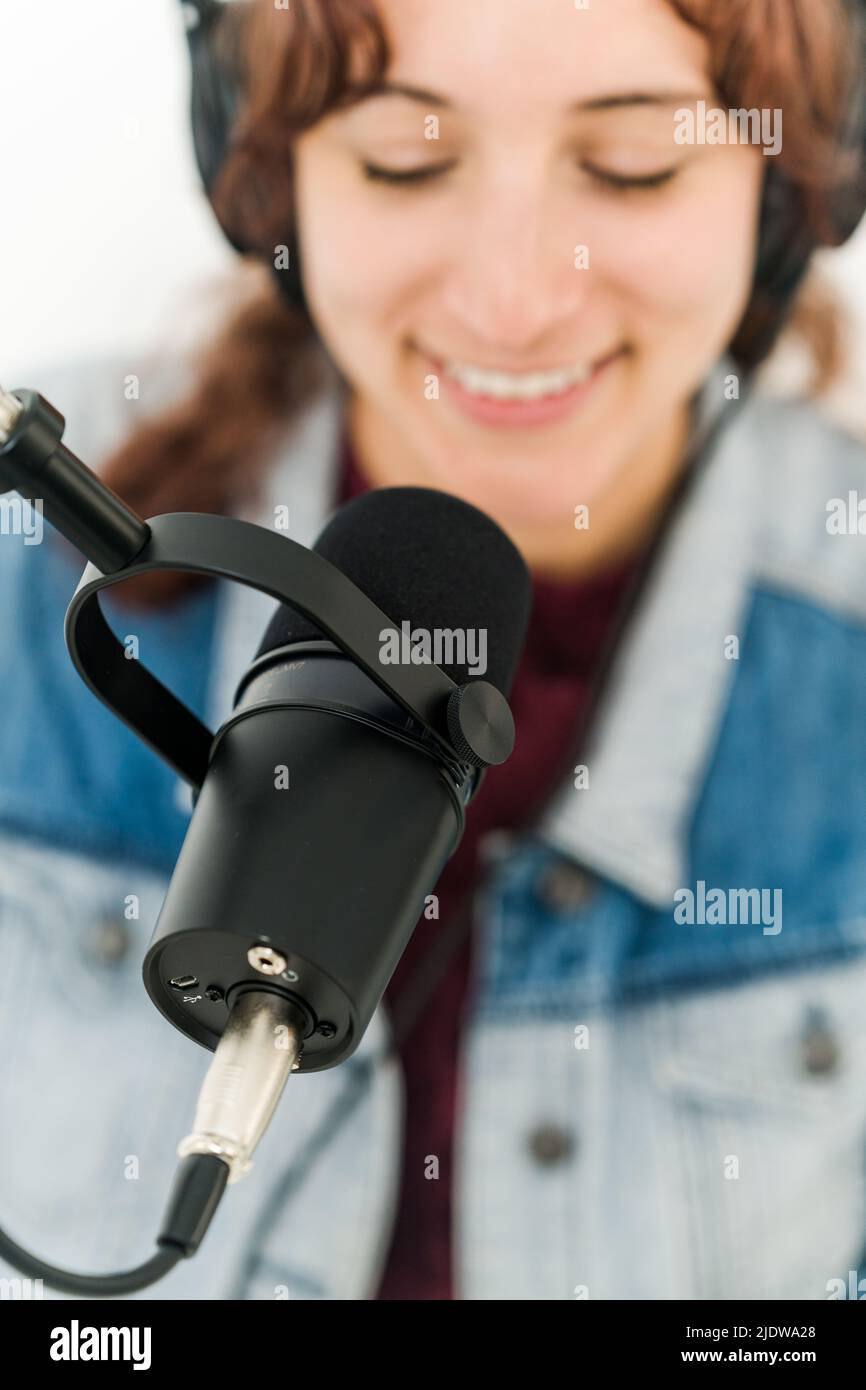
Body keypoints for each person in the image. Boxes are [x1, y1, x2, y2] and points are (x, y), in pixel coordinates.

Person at [1, 0, 866, 1301]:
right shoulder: (28, 563)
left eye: (633, 165)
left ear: (786, 186)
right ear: (269, 170)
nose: (512, 300)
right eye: (403, 160)